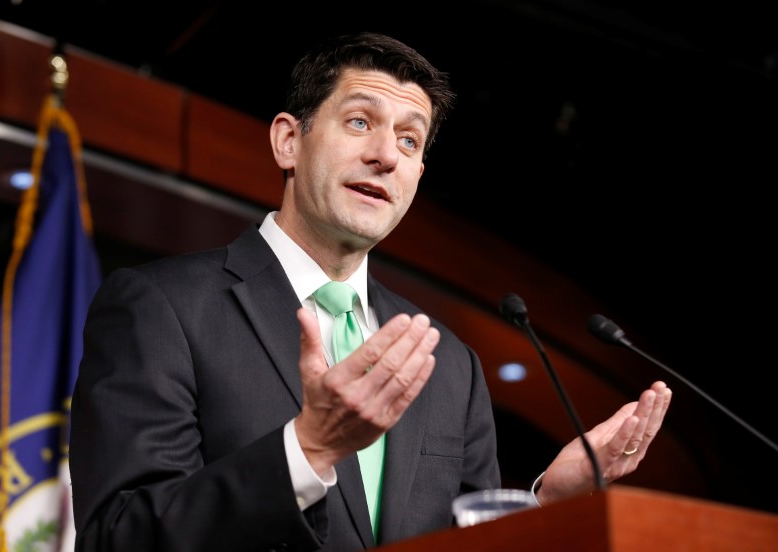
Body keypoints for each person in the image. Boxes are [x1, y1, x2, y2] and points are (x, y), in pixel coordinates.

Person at [69, 31, 672, 551]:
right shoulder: (162, 307)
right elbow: (118, 536)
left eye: (410, 141)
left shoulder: (448, 364)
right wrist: (306, 450)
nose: (386, 155)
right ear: (288, 141)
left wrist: (544, 503)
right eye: (360, 122)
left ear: (417, 179)